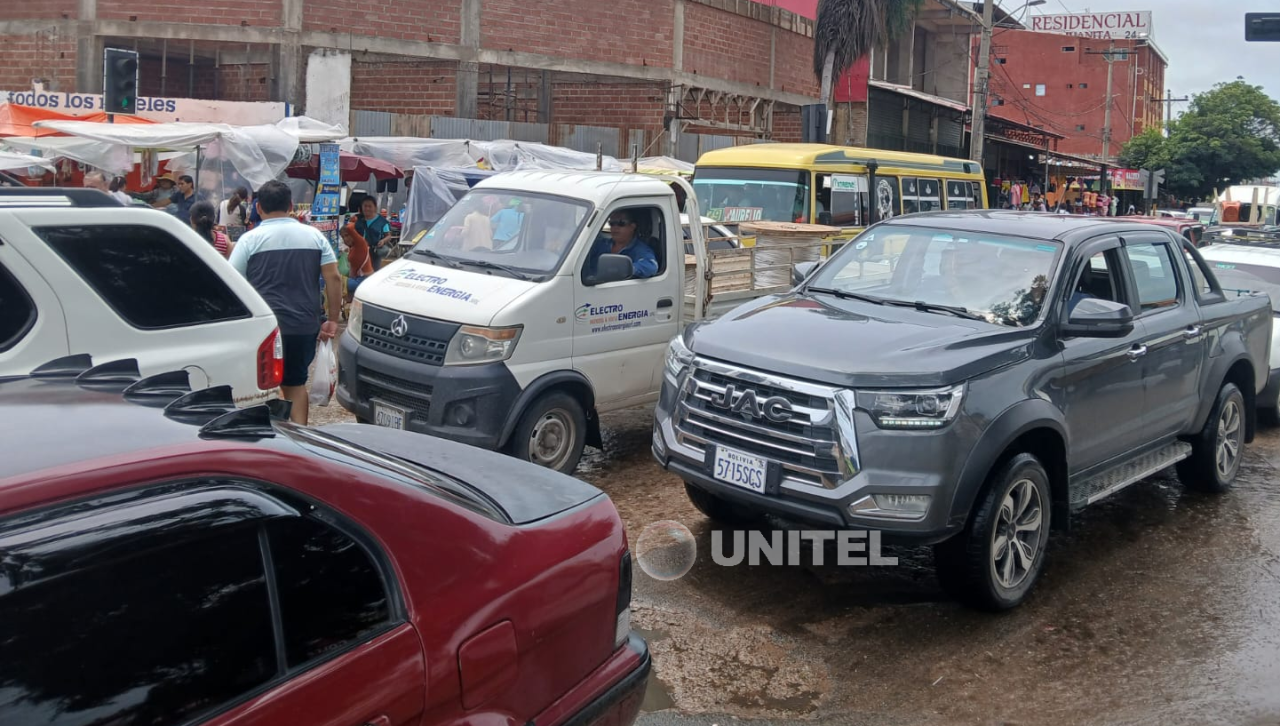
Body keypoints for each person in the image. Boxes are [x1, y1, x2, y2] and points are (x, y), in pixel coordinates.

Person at [228, 180, 343, 426]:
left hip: (263, 330)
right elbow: (333, 277)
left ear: (258, 208)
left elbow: (231, 281)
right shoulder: (314, 236)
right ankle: (300, 439)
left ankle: (266, 442)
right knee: (295, 383)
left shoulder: (249, 240)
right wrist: (332, 320)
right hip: (303, 325)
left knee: (260, 387)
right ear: (291, 206)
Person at [587, 209, 658, 279]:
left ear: (632, 227)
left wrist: (625, 268)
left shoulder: (640, 250)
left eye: (621, 223)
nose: (615, 227)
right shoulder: (600, 244)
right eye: (611, 223)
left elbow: (651, 266)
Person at [354, 197, 393, 269]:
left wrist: (383, 241)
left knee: (373, 272)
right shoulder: (357, 219)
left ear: (375, 207)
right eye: (365, 206)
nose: (367, 208)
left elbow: (388, 236)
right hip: (359, 251)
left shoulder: (382, 221)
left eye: (370, 206)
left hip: (374, 252)